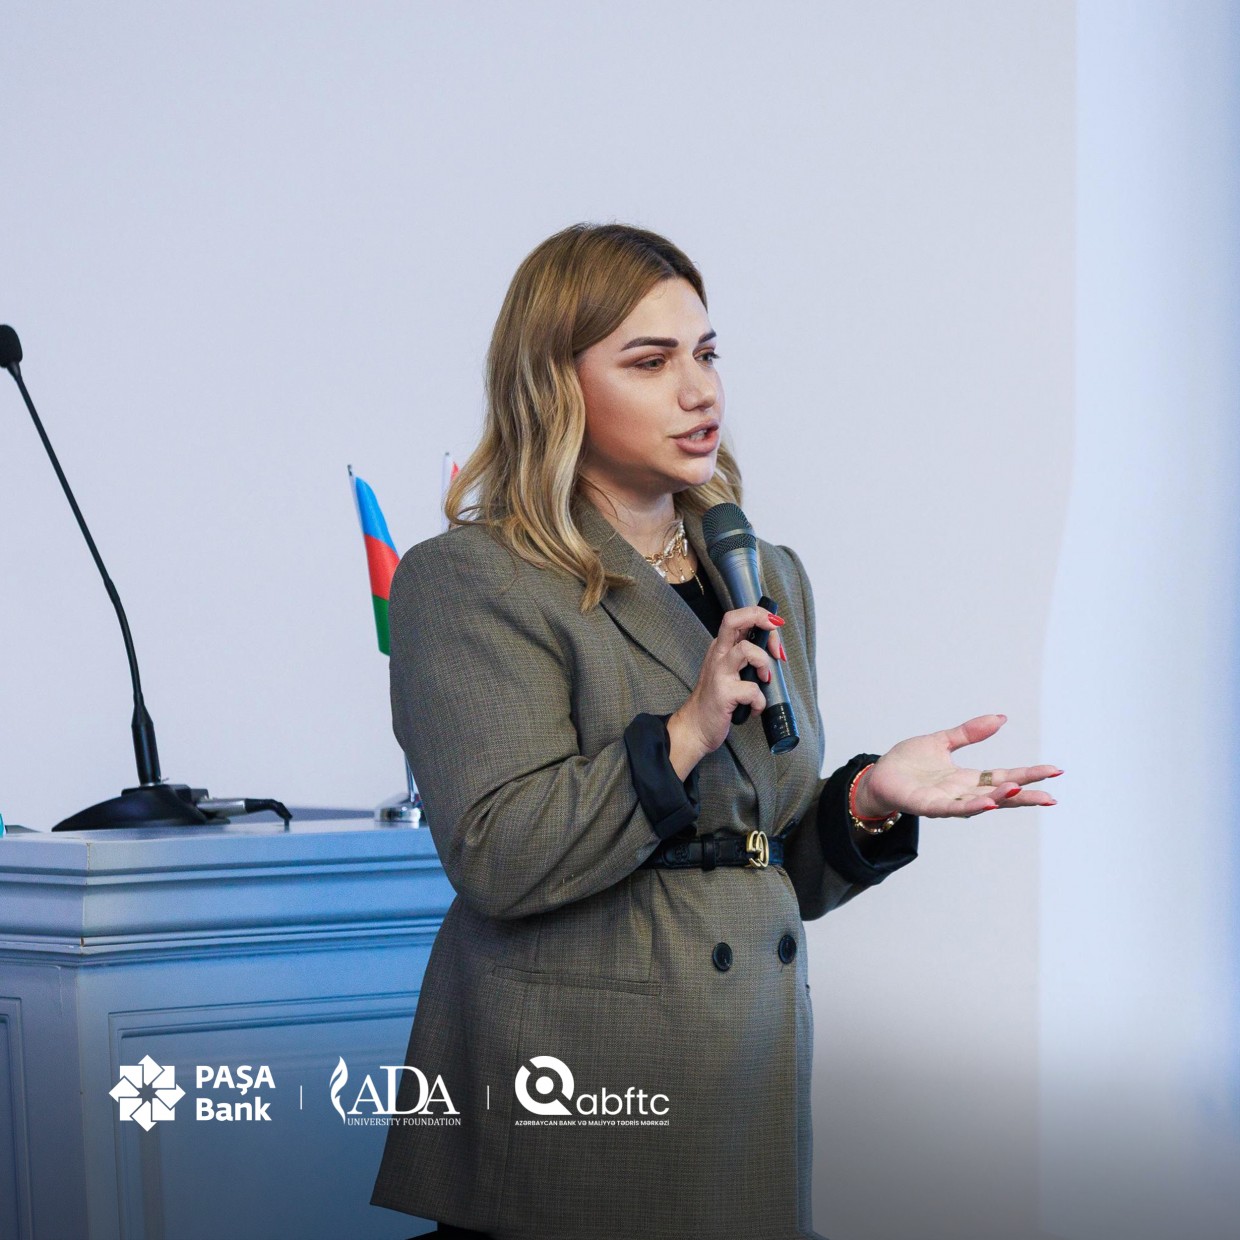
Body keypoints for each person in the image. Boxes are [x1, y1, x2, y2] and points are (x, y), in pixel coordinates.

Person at [369, 223, 1060, 1240]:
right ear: (555, 386)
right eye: (650, 362)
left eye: (706, 352)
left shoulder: (763, 571)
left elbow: (756, 862)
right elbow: (499, 855)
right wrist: (684, 732)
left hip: (743, 1072)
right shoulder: (472, 577)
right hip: (576, 1076)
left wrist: (866, 799)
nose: (700, 391)